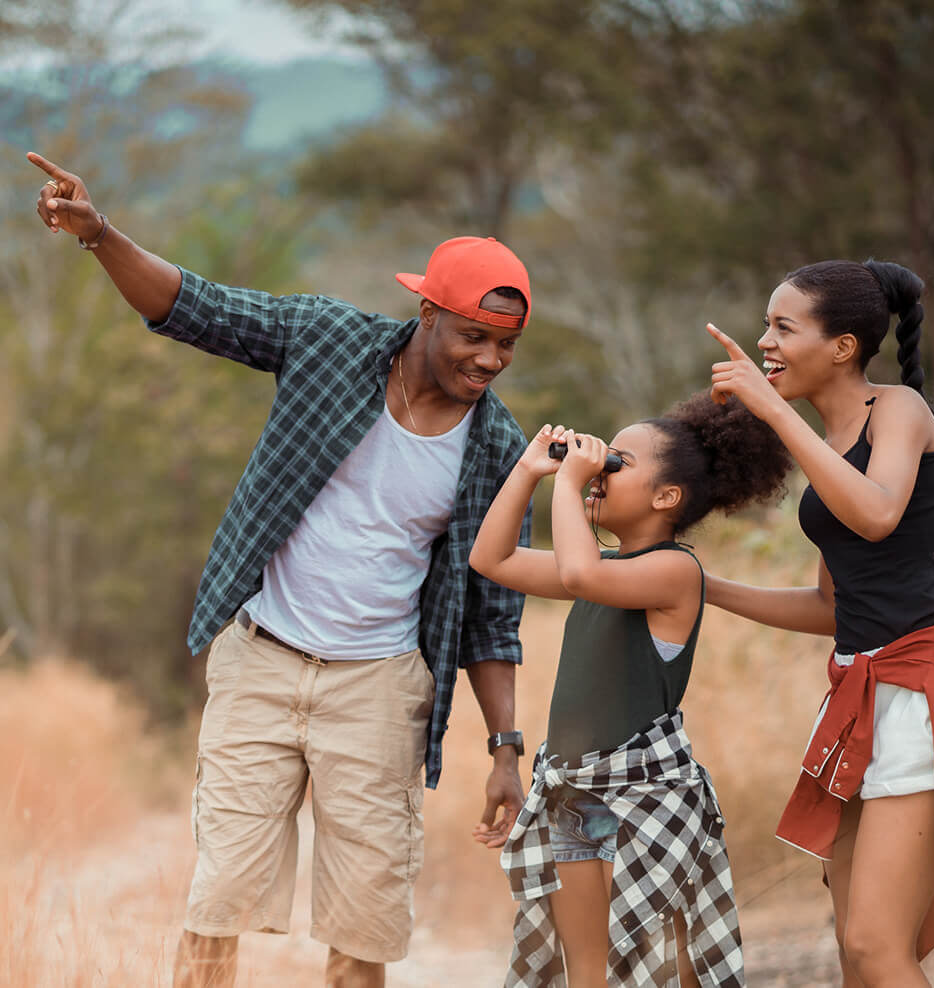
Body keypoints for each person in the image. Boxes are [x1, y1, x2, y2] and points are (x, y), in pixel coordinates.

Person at [29, 150, 536, 988]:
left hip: (378, 688)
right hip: (262, 660)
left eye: (507, 345)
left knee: (364, 918)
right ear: (426, 312)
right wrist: (102, 235)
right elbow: (197, 308)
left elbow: (490, 612)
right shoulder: (330, 342)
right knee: (218, 895)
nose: (489, 360)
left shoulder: (497, 450)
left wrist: (506, 748)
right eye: (474, 336)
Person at [704, 259, 934, 987]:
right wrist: (706, 587)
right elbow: (835, 609)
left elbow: (880, 512)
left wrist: (772, 412)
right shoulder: (828, 452)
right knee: (858, 953)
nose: (764, 342)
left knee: (877, 951)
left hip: (931, 690)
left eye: (782, 327)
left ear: (843, 348)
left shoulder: (899, 412)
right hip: (866, 694)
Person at [468, 394, 792, 987]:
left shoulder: (674, 571)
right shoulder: (607, 567)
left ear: (666, 498)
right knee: (586, 972)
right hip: (578, 794)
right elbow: (492, 558)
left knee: (660, 969)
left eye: (617, 462)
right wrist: (529, 470)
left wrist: (569, 485)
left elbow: (578, 573)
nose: (599, 468)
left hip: (647, 799)